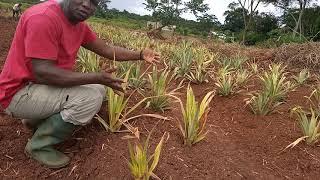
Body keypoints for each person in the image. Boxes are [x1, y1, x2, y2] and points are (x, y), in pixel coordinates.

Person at [0, 0, 160, 169]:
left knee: (97, 90)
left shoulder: (77, 25)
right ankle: (39, 146)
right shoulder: (43, 17)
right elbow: (44, 72)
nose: (86, 5)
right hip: (17, 93)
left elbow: (105, 49)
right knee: (89, 98)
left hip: (36, 88)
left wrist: (140, 54)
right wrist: (97, 76)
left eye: (93, 2)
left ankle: (33, 120)